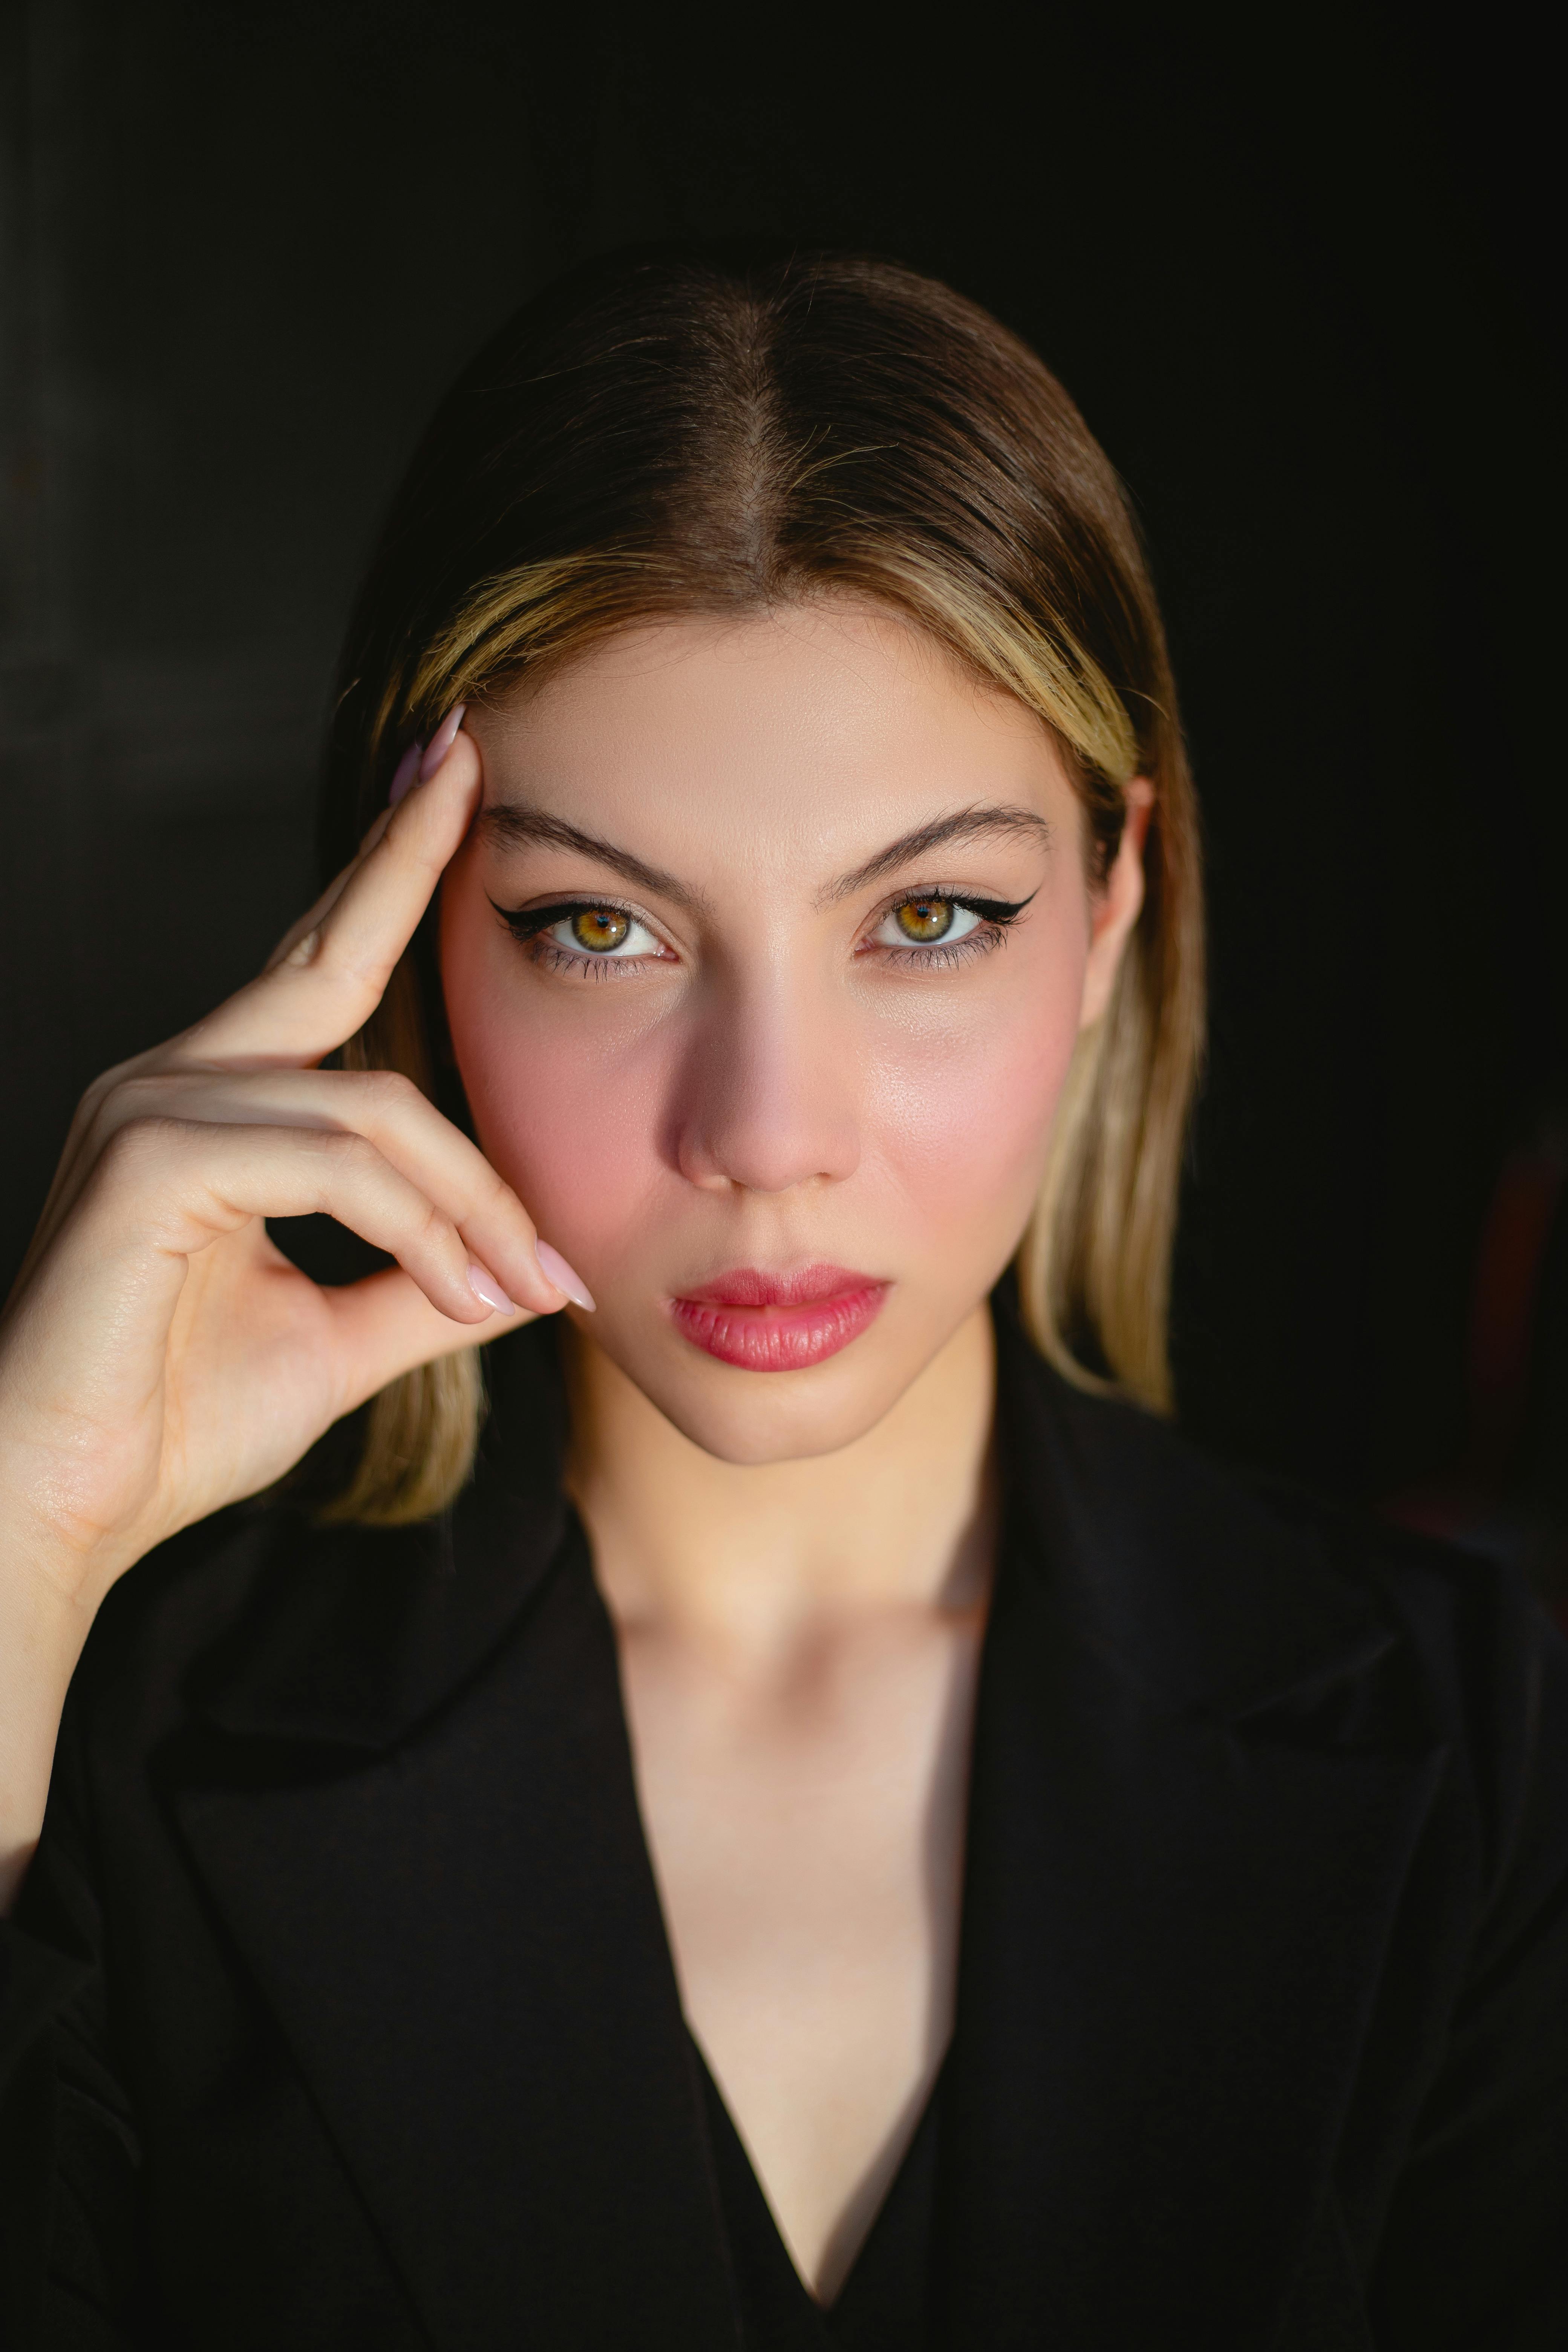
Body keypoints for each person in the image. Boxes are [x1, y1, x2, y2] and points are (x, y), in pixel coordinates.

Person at [0, 247, 1563, 2352]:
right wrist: (22, 1528)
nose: (766, 1131)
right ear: (406, 950)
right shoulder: (98, 1738)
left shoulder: (1485, 1756)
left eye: (928, 917)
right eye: (599, 930)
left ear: (1110, 910)